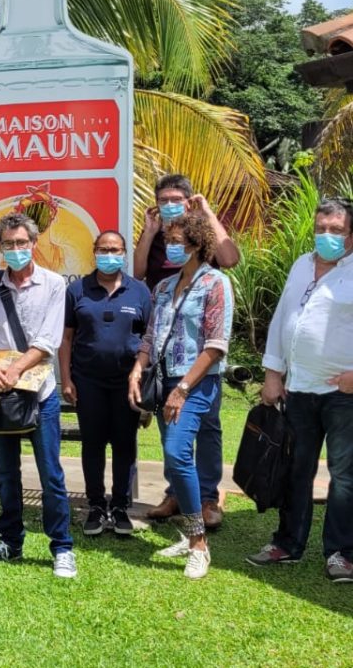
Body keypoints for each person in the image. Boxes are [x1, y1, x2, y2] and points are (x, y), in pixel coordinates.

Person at [249, 199, 353, 583]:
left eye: (336, 230)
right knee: (295, 469)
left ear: (351, 233)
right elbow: (282, 317)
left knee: (345, 476)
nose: (327, 236)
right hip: (298, 389)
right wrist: (273, 374)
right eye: (321, 228)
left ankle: (342, 553)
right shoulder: (301, 264)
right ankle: (287, 544)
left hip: (344, 395)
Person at [128, 213, 233, 580]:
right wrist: (138, 367)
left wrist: (183, 388)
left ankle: (199, 543)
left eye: (178, 242)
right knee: (174, 461)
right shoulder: (163, 287)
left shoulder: (215, 283)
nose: (172, 248)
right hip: (163, 381)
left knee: (176, 453)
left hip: (196, 383)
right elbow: (150, 337)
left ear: (197, 244)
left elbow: (216, 345)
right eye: (169, 241)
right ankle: (189, 535)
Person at [0, 213, 76, 578]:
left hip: (40, 392)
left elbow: (48, 340)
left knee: (51, 474)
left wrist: (16, 370)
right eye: (8, 244)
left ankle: (61, 547)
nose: (16, 250)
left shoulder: (52, 284)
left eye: (21, 243)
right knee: (5, 474)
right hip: (0, 392)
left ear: (34, 243)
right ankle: (10, 541)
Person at [59, 231, 151, 536]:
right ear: (94, 252)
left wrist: (140, 374)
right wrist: (67, 379)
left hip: (127, 384)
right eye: (103, 249)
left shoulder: (139, 291)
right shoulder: (77, 290)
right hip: (88, 381)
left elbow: (149, 339)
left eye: (115, 250)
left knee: (125, 445)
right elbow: (66, 338)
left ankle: (121, 506)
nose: (109, 254)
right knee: (93, 444)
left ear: (124, 253)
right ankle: (96, 506)